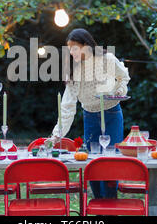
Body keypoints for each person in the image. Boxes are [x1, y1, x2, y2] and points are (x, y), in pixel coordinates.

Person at [51, 28, 131, 199]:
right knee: (92, 164)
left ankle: (110, 205)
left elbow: (123, 77)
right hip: (90, 117)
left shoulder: (107, 59)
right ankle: (99, 206)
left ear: (86, 45)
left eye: (74, 48)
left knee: (110, 163)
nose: (71, 52)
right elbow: (67, 106)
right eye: (69, 48)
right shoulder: (73, 70)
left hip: (112, 115)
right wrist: (57, 134)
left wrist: (119, 90)